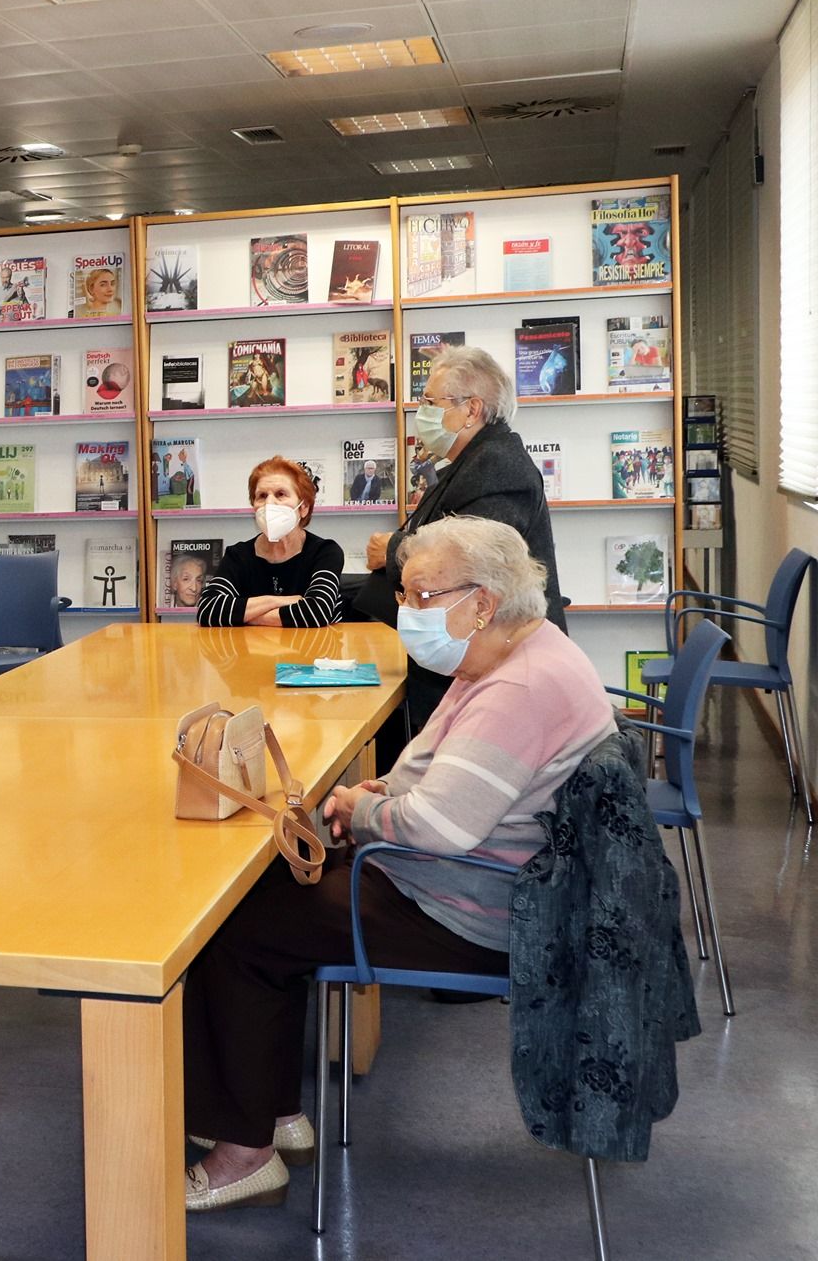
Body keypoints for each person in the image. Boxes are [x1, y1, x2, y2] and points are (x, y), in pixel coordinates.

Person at [182, 517, 614, 1212]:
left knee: (236, 925)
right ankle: (269, 1109)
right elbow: (440, 771)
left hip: (478, 905)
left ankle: (245, 1150)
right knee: (265, 896)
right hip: (477, 876)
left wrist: (361, 812)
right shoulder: (516, 650)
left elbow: (442, 824)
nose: (406, 611)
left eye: (420, 595)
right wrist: (379, 791)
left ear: (482, 600)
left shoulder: (519, 688)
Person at [354, 345, 566, 747]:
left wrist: (394, 547)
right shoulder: (472, 460)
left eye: (431, 402)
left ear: (471, 410)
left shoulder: (498, 466)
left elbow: (470, 563)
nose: (423, 412)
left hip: (494, 665)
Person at [196, 457, 343, 627]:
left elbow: (316, 612)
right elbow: (208, 610)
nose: (269, 504)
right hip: (253, 649)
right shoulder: (238, 555)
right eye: (262, 496)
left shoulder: (325, 552)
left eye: (280, 494)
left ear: (304, 508)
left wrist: (244, 615)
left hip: (312, 650)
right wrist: (280, 601)